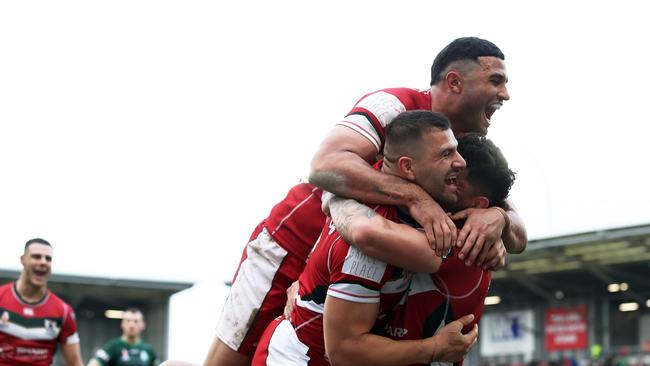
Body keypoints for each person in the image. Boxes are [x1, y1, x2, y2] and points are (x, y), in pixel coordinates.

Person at [203, 36, 527, 366]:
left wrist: (499, 217)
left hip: (371, 260)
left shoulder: (465, 145)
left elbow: (509, 219)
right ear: (455, 82)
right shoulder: (393, 105)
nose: (505, 94)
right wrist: (417, 200)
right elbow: (324, 165)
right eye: (495, 81)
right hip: (297, 242)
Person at [252, 111, 478, 366]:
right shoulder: (369, 246)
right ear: (407, 167)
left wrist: (497, 217)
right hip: (301, 358)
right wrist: (435, 348)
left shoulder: (380, 185)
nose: (460, 162)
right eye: (446, 154)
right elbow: (345, 352)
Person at [335, 133, 516, 366]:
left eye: (456, 182)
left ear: (479, 204)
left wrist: (333, 198)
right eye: (447, 172)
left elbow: (366, 233)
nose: (446, 181)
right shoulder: (463, 232)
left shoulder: (451, 243)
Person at [0, 238, 83, 366]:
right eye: (36, 256)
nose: (43, 262)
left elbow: (75, 363)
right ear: (23, 259)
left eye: (48, 259)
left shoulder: (64, 312)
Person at [87, 307, 157, 366]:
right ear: (122, 324)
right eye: (128, 321)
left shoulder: (148, 350)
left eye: (135, 321)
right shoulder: (113, 347)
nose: (131, 325)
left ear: (143, 324)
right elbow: (94, 363)